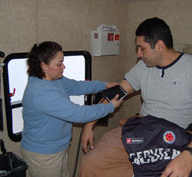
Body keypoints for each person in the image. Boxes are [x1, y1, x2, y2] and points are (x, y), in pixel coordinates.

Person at [80, 17, 192, 177]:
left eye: (142, 49)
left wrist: (189, 154)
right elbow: (116, 93)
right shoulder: (143, 68)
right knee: (91, 164)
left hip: (174, 135)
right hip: (141, 131)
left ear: (159, 46)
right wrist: (89, 125)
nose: (138, 55)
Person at [20, 41, 123, 177]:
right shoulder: (40, 92)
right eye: (59, 64)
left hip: (57, 149)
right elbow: (78, 114)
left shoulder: (54, 78)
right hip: (43, 155)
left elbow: (76, 86)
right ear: (43, 66)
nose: (63, 66)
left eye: (62, 62)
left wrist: (104, 85)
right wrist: (109, 107)